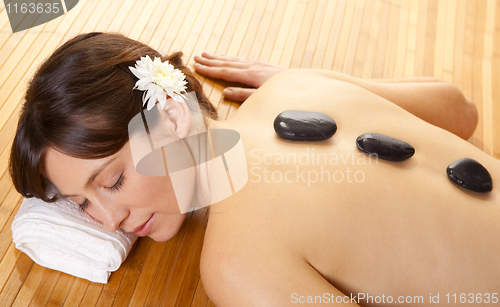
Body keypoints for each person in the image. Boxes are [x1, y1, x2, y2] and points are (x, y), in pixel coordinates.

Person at [9, 32, 499, 306]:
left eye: (114, 180)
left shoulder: (235, 263)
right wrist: (316, 81)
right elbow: (460, 110)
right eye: (83, 206)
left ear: (173, 115)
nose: (111, 219)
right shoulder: (293, 90)